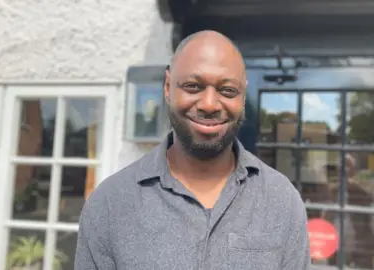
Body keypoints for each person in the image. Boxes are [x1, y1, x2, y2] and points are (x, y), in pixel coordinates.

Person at [75, 30, 311, 270]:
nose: (209, 104)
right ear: (168, 86)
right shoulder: (109, 204)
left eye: (227, 90)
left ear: (242, 95)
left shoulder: (282, 200)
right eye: (193, 86)